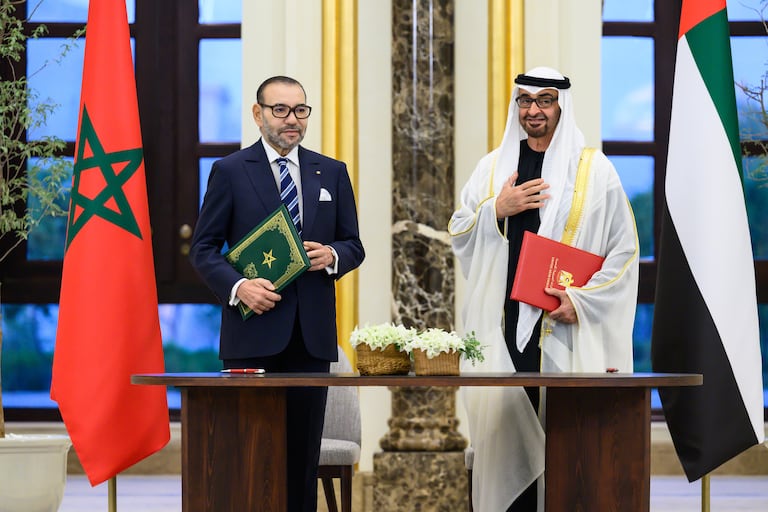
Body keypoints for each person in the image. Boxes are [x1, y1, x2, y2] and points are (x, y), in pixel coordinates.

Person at [448, 67, 639, 512]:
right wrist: (498, 208)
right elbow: (458, 230)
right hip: (503, 326)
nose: (534, 110)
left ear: (561, 106)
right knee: (506, 440)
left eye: (545, 100)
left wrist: (583, 300)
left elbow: (624, 251)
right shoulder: (493, 167)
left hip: (564, 328)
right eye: (525, 101)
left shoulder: (595, 171)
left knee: (567, 451)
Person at [189, 75, 365, 512]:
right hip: (251, 337)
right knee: (249, 456)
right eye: (281, 110)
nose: (292, 120)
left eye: (300, 110)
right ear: (258, 114)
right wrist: (239, 286)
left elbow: (354, 245)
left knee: (301, 461)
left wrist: (333, 255)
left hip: (312, 337)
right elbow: (204, 249)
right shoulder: (229, 171)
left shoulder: (333, 171)